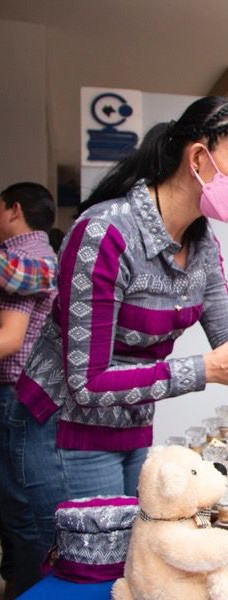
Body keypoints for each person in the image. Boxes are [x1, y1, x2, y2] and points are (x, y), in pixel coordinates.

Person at [11, 97, 228, 562]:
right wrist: (205, 370)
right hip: (64, 430)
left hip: (131, 428)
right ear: (199, 158)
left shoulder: (200, 243)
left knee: (132, 565)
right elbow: (86, 382)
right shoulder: (105, 233)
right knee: (82, 574)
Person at [0, 183, 57, 596]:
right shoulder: (42, 256)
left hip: (14, 393)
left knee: (18, 507)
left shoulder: (24, 259)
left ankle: (27, 589)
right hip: (28, 394)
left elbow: (10, 339)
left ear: (13, 209)